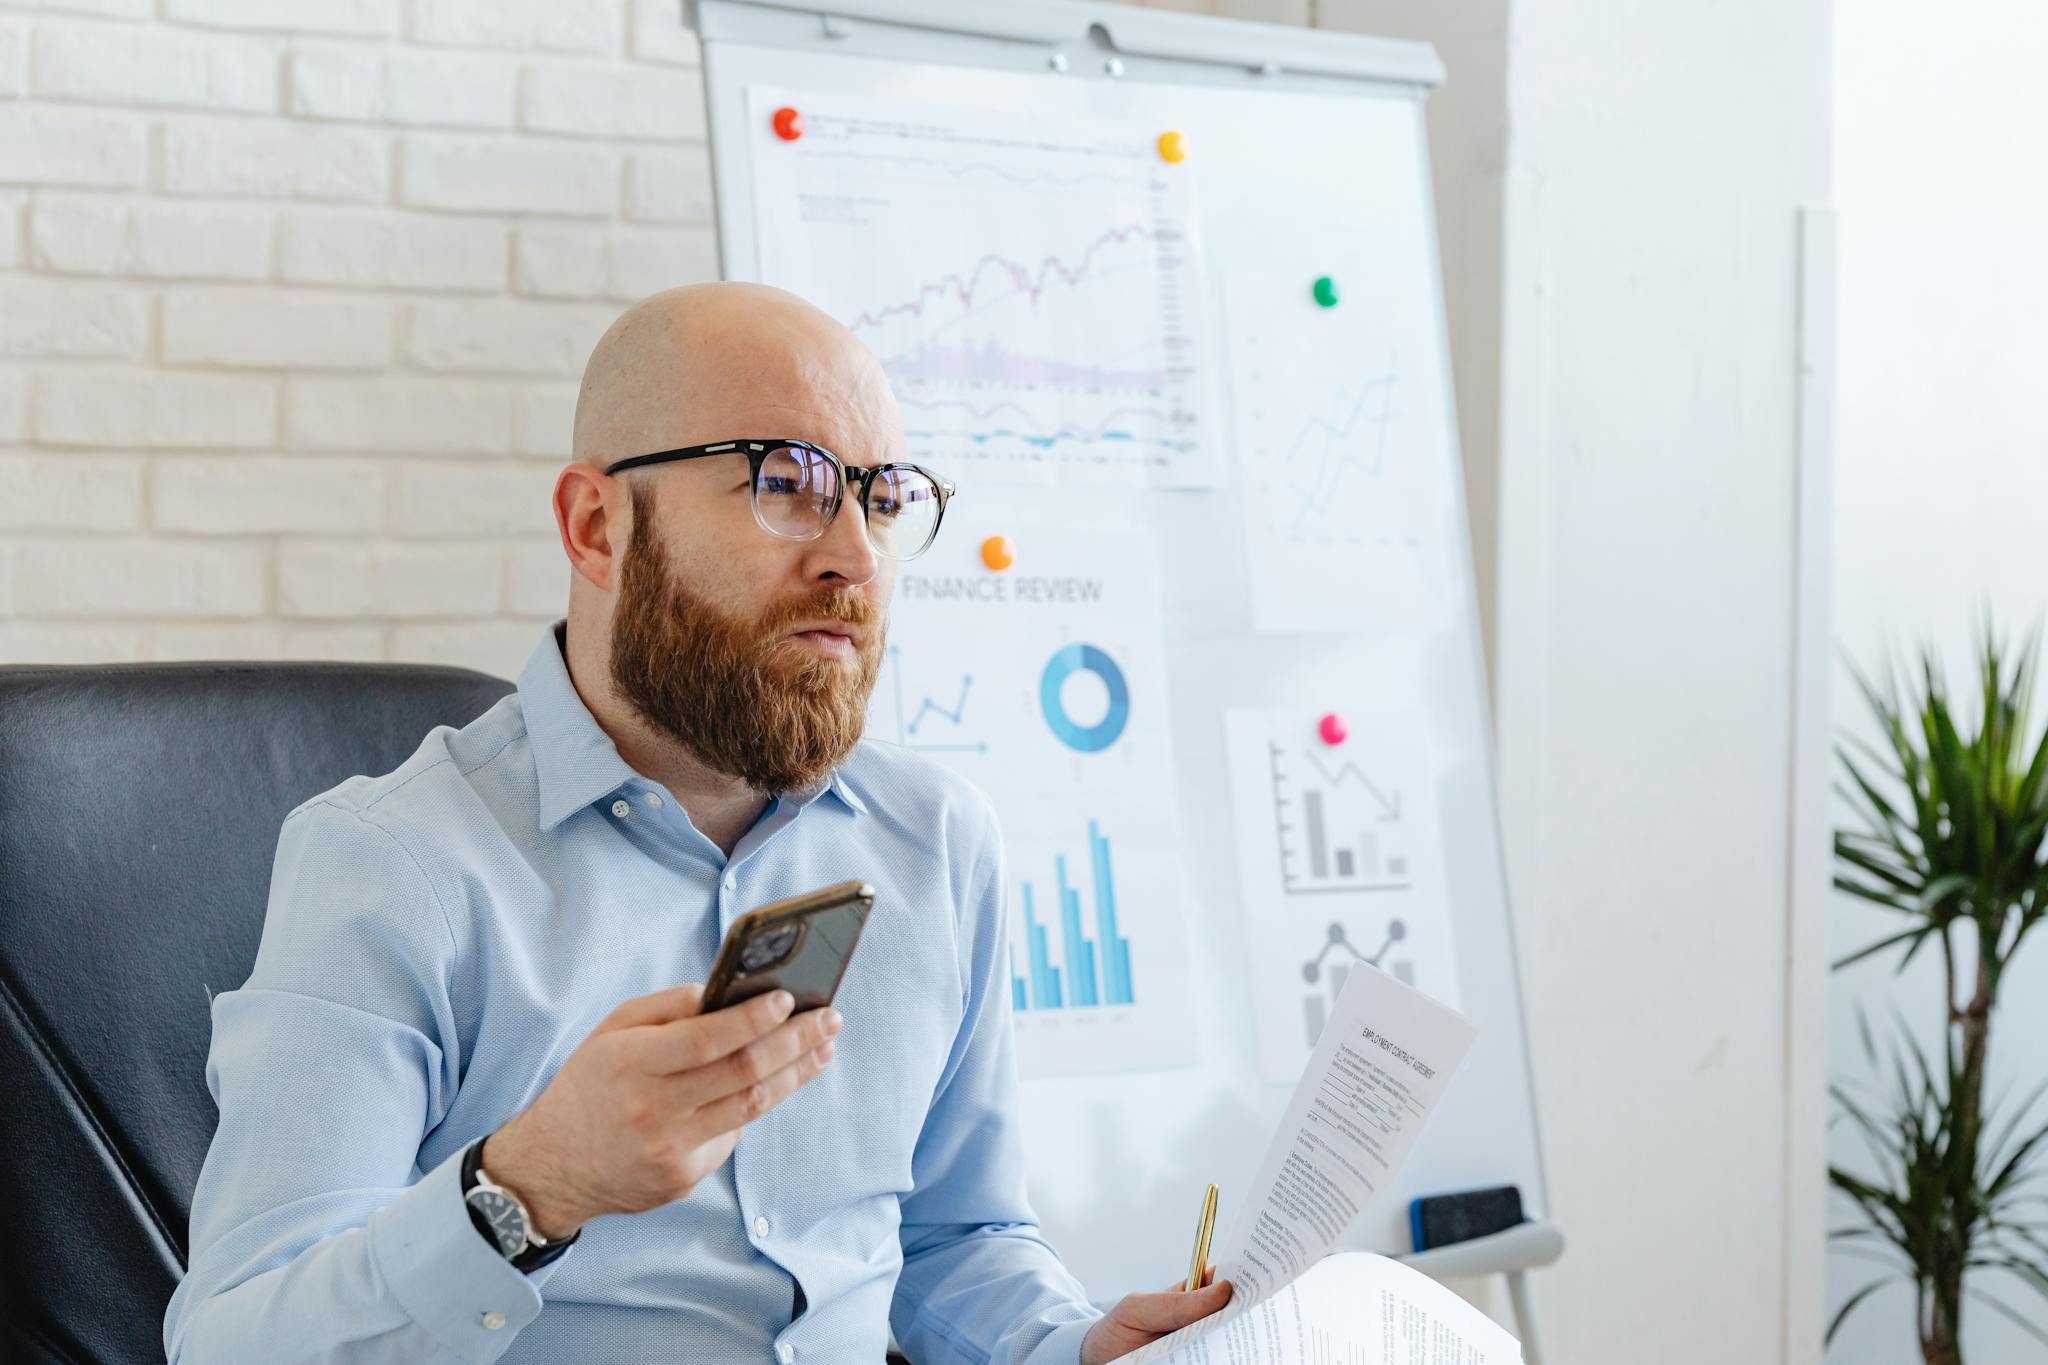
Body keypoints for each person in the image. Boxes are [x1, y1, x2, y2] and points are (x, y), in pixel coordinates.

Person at [163, 282, 1232, 1364]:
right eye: (786, 485)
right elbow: (233, 1343)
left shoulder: (939, 841)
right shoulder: (392, 863)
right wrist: (532, 1185)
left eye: (884, 500)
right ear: (596, 527)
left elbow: (957, 1241)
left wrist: (1074, 1347)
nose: (855, 558)